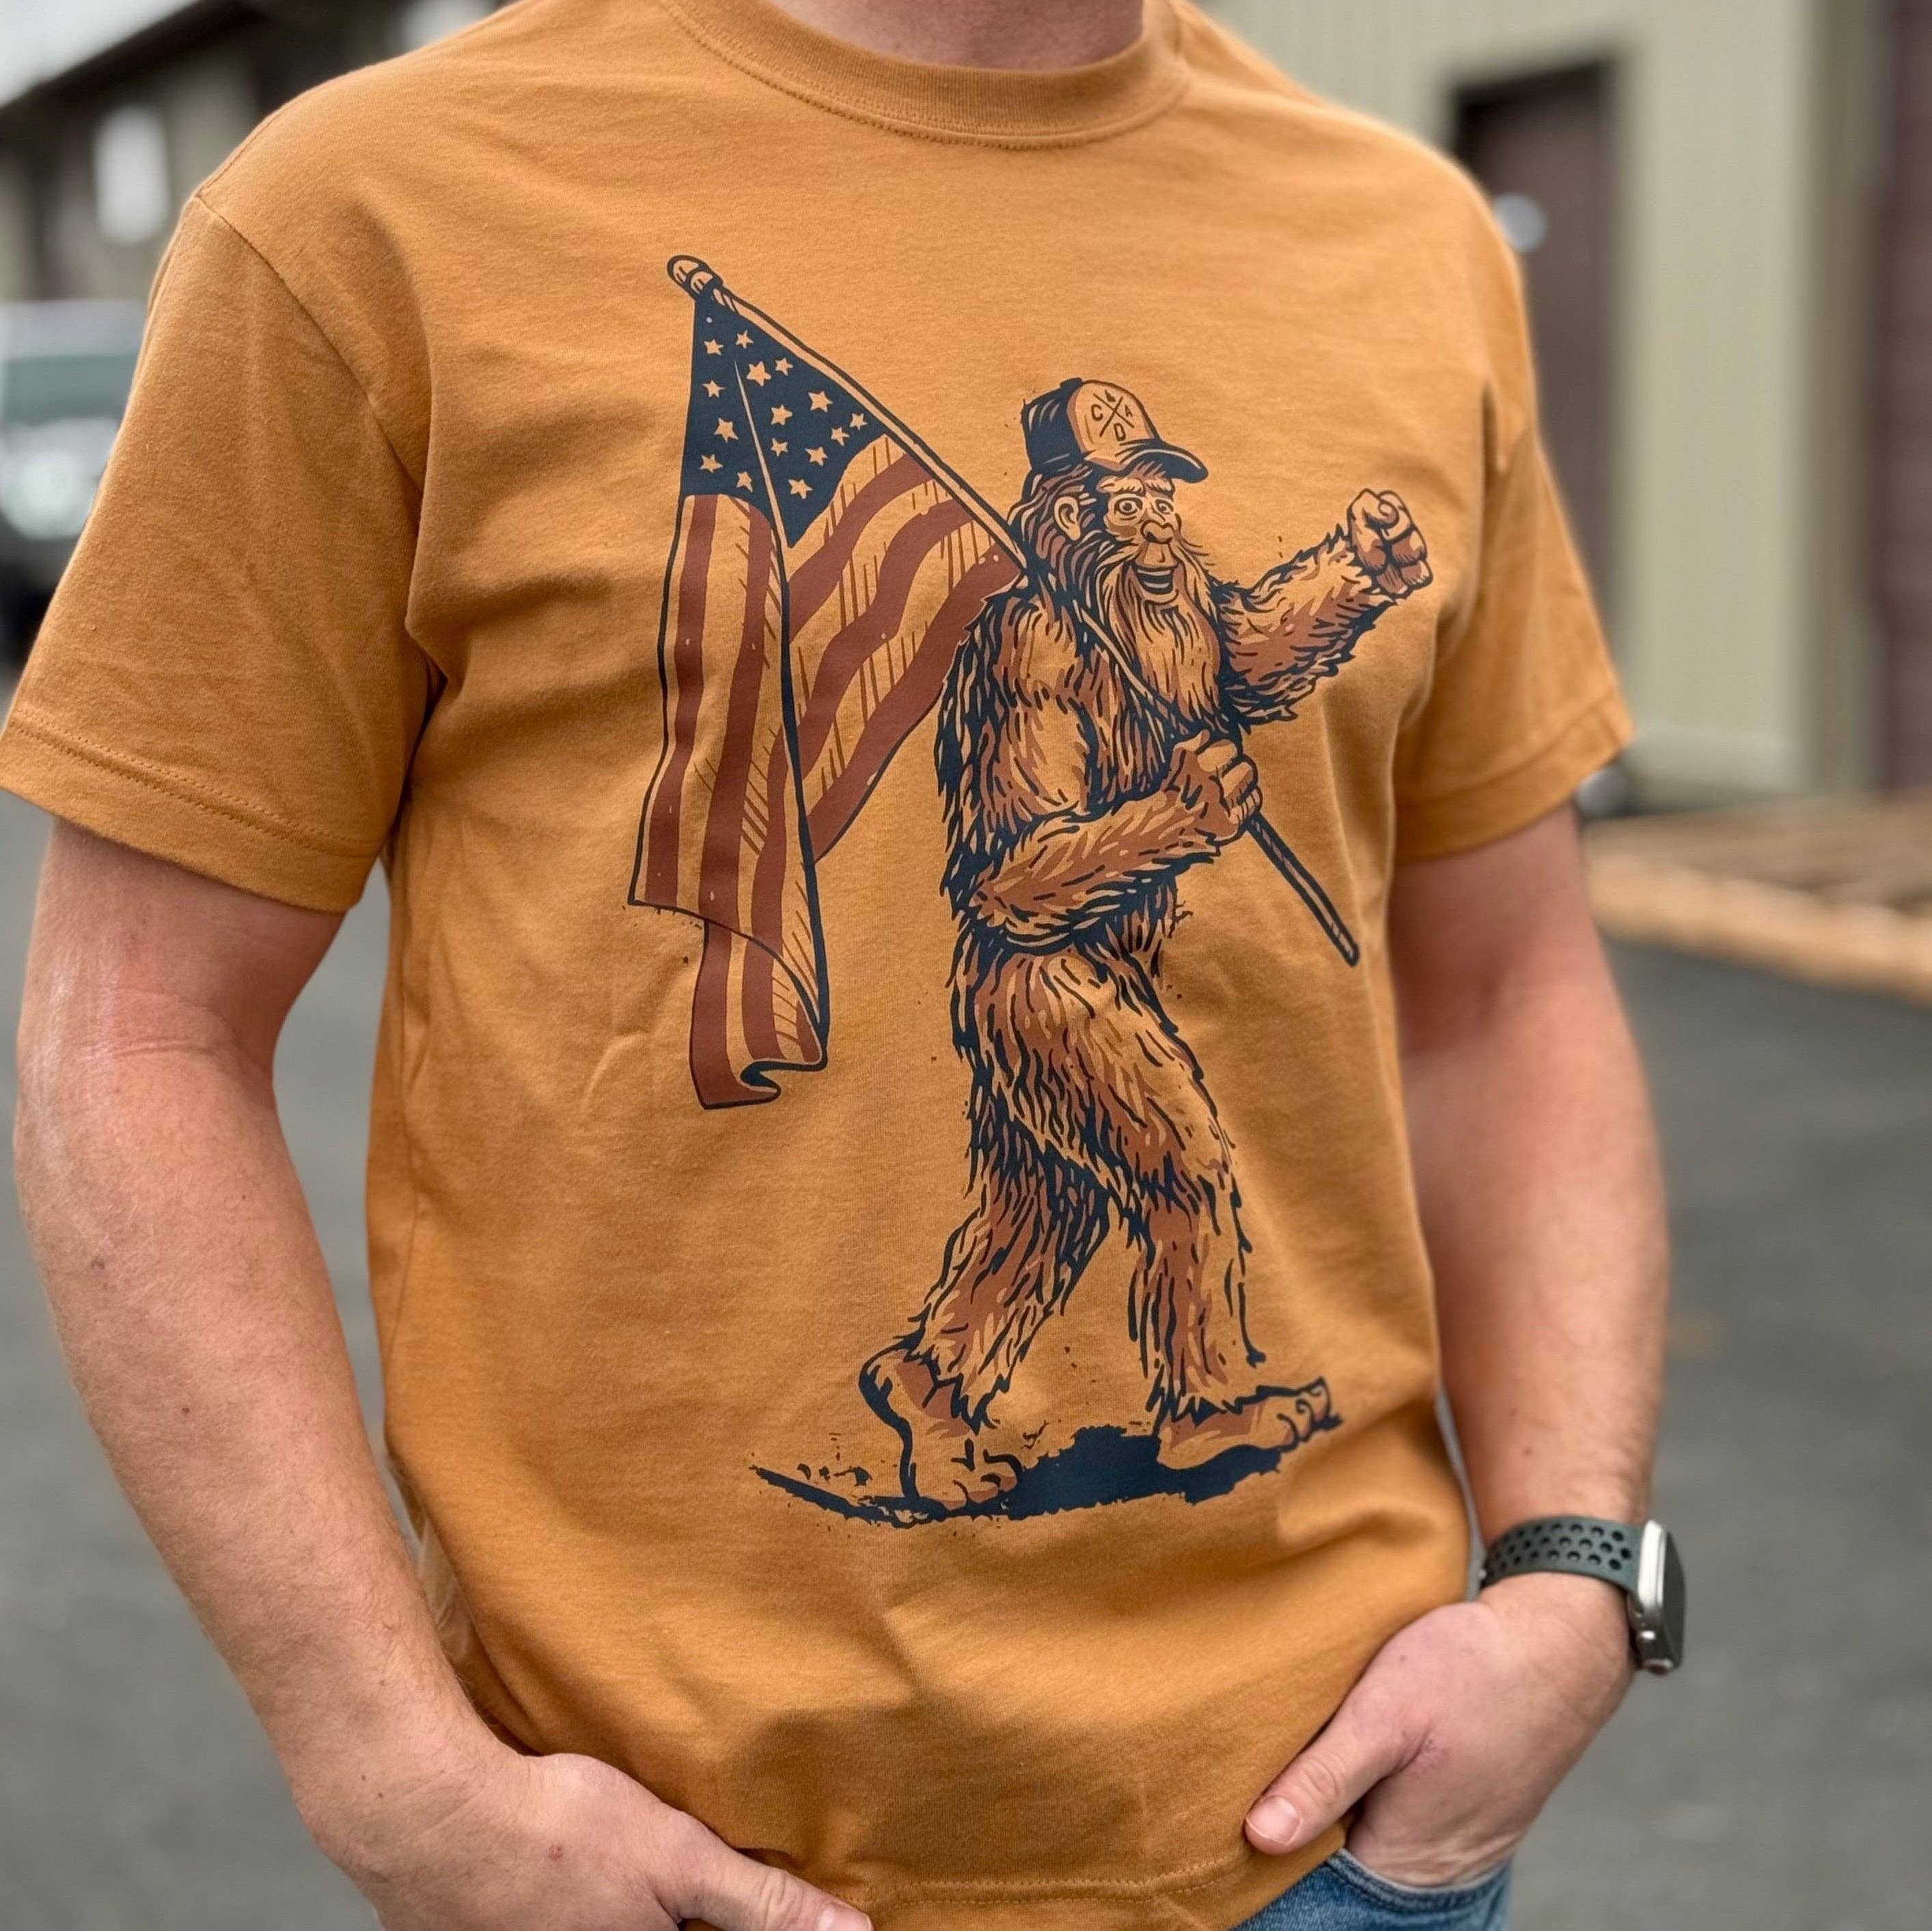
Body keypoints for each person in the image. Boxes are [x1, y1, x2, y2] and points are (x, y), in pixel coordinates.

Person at [3, 1, 1674, 1928]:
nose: (1158, 519)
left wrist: (1575, 1579)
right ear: (1067, 515)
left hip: (1337, 1847)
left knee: (1041, 1220)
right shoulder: (370, 218)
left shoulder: (1395, 242)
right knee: (1178, 1171)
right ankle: (1207, 1386)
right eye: (1131, 500)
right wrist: (392, 1767)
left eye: (1165, 492)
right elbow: (138, 1040)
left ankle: (935, 1381)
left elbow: (1505, 992)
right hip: (682, 1851)